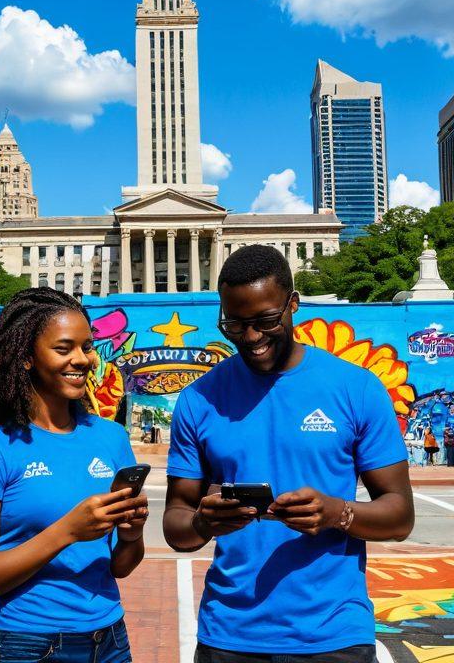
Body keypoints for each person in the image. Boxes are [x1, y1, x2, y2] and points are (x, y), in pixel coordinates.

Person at [164, 245, 413, 662]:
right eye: (235, 325)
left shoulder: (356, 388)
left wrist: (337, 513)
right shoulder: (198, 400)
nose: (251, 338)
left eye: (265, 321)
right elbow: (176, 527)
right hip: (228, 635)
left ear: (292, 305)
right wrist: (204, 521)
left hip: (334, 637)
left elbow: (400, 516)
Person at [0, 287, 147, 663]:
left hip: (109, 643)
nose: (83, 360)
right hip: (27, 646)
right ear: (26, 357)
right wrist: (68, 530)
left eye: (87, 347)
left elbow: (121, 567)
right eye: (64, 349)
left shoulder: (112, 438)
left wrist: (131, 534)